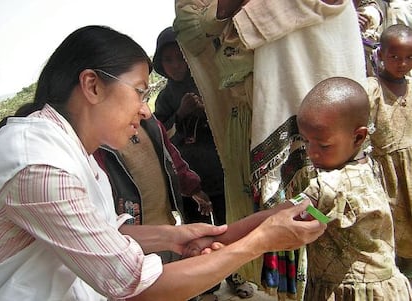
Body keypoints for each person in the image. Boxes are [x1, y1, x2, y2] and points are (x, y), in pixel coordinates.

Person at [0, 25, 326, 301]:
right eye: (140, 92)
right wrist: (262, 240)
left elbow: (108, 234)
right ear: (93, 86)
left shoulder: (70, 151)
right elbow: (135, 286)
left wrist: (175, 237)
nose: (145, 109)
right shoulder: (41, 166)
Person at [174, 0, 366, 299]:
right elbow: (189, 30)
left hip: (312, 102)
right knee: (278, 228)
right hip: (247, 117)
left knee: (325, 218)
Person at [153, 26, 252, 300]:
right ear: (161, 65)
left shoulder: (210, 84)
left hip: (217, 168)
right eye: (168, 60)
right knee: (195, 234)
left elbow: (226, 119)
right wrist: (180, 113)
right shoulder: (164, 98)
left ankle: (236, 276)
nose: (175, 65)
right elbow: (160, 135)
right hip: (187, 179)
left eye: (180, 57)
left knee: (226, 226)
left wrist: (206, 109)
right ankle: (206, 285)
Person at [296, 76, 412, 300]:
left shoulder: (327, 187)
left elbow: (281, 215)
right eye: (305, 141)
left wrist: (224, 237)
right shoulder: (370, 164)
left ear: (359, 136)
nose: (311, 153)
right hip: (386, 289)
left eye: (323, 145)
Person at [94, 108, 213, 264]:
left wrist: (193, 188)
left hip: (168, 234)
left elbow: (172, 160)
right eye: (138, 91)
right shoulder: (96, 144)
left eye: (145, 95)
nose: (145, 110)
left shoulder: (150, 125)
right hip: (132, 247)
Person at [367, 23, 412, 283]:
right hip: (388, 177)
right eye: (394, 56)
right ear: (380, 54)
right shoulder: (372, 88)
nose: (402, 63)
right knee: (393, 234)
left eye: (408, 57)